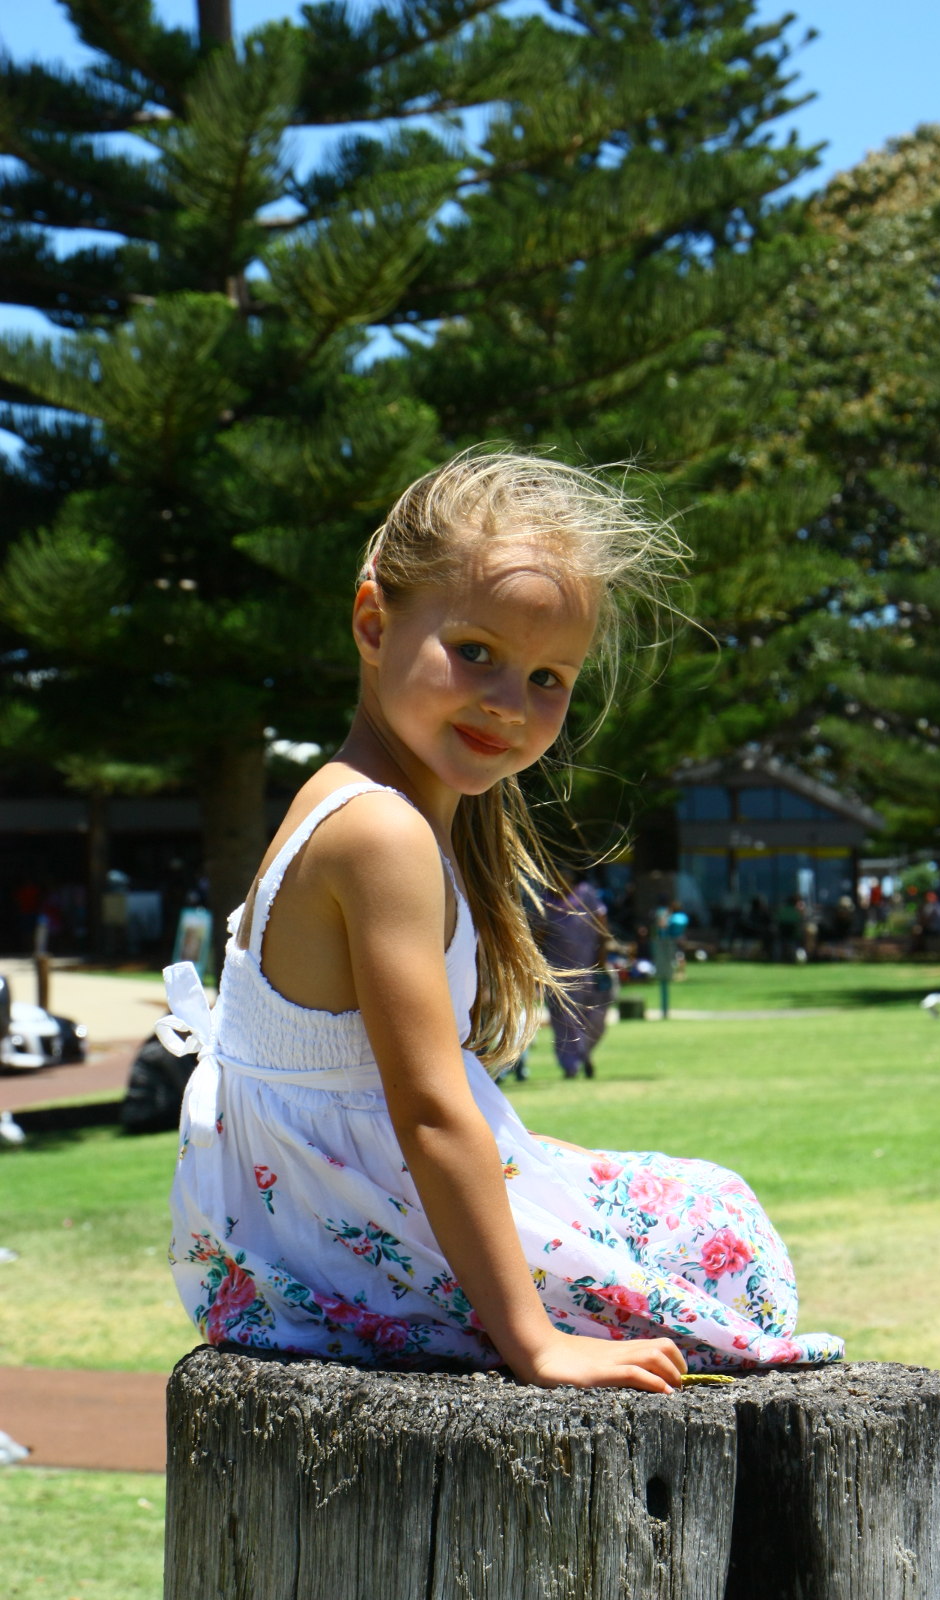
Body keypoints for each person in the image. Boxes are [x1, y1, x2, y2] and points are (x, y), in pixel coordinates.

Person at [159, 449, 842, 1390]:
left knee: (699, 1204)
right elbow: (429, 1115)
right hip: (334, 1253)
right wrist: (535, 1343)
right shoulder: (380, 832)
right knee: (720, 1241)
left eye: (549, 677)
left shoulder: (362, 801)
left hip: (290, 1236)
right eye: (475, 652)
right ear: (373, 623)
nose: (508, 703)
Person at [538, 870, 611, 1078]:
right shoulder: (544, 902)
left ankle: (584, 1053)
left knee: (596, 1017)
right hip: (559, 974)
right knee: (564, 1021)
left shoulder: (586, 895)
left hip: (589, 968)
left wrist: (602, 959)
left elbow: (602, 924)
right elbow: (538, 936)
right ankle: (570, 1065)